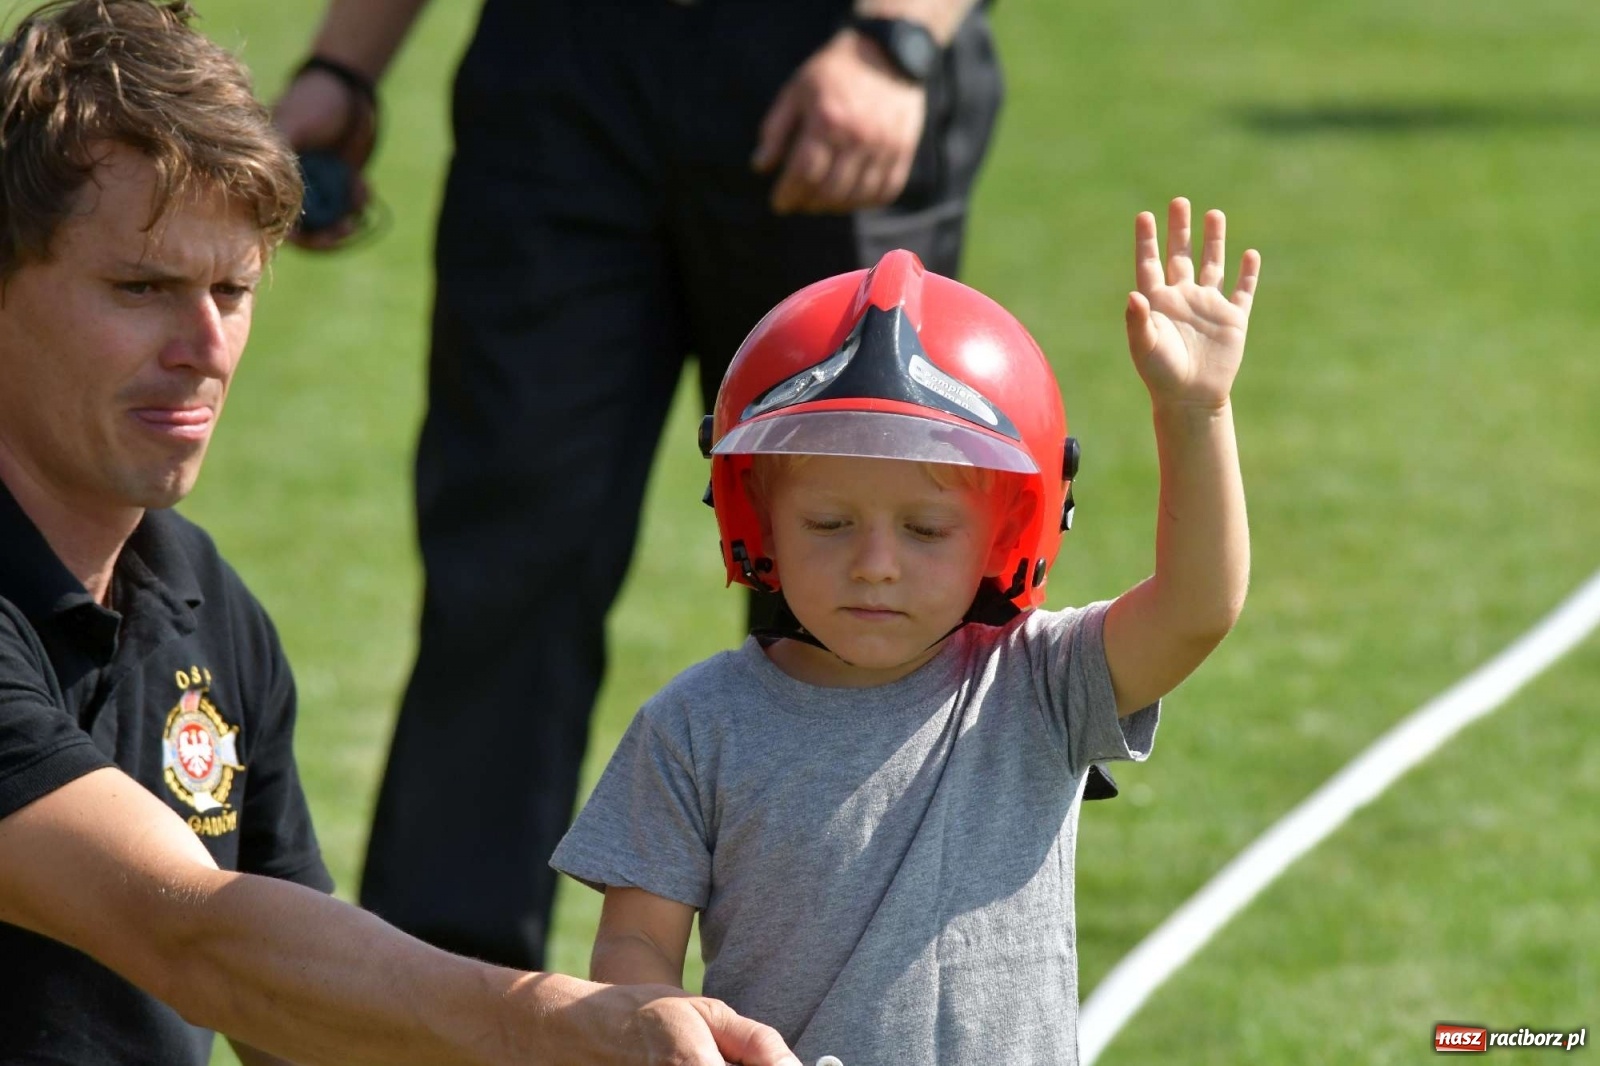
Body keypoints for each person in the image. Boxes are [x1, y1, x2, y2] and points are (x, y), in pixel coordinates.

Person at [0, 3, 802, 1064]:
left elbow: (304, 1017)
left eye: (233, 289)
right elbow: (192, 936)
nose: (204, 347)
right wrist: (567, 1022)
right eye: (140, 287)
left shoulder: (197, 598)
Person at [271, 0, 1007, 971]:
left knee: (853, 584)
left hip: (828, 60)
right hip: (559, 73)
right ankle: (444, 1014)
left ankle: (838, 1004)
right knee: (504, 562)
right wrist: (346, 66)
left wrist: (895, 37)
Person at [549, 200, 1261, 1061]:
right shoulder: (694, 727)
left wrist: (1195, 414)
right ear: (757, 518)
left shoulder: (1038, 682)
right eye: (829, 524)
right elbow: (633, 947)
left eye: (925, 530)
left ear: (1007, 534)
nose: (876, 564)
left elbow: (1197, 608)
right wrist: (653, 1016)